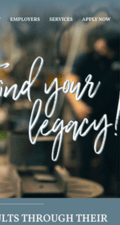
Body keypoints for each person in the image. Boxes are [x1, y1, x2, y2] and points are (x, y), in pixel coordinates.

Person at [65, 26, 119, 196]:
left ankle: (111, 195)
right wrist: (77, 104)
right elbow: (69, 80)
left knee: (113, 155)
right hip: (87, 113)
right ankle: (85, 195)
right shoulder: (85, 58)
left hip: (111, 114)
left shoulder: (116, 56)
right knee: (85, 155)